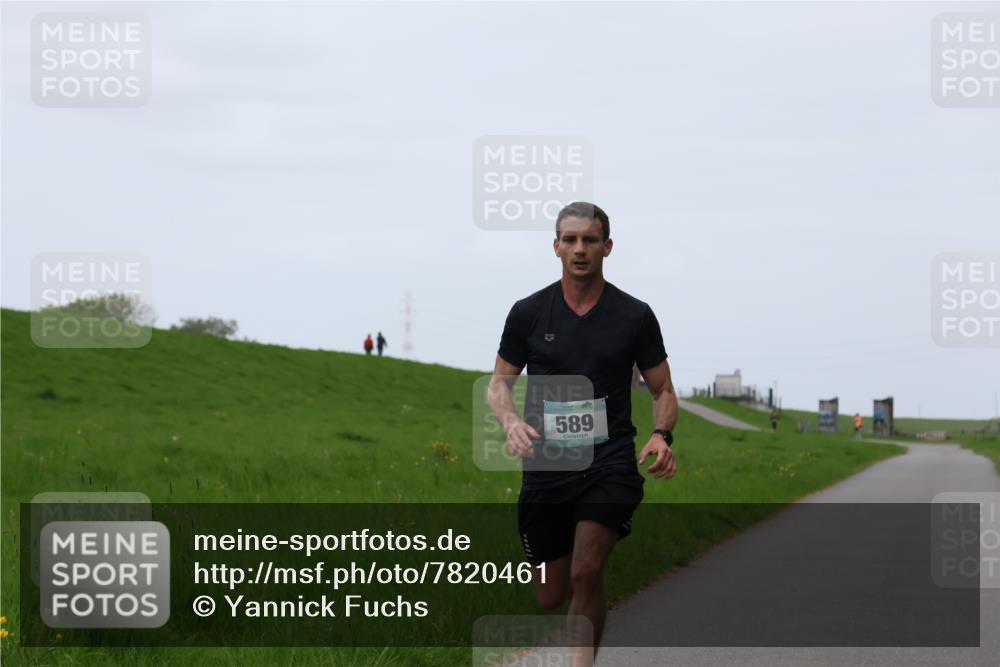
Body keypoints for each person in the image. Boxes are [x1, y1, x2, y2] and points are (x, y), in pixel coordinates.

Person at [487, 202, 677, 659]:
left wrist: (661, 434)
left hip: (609, 459)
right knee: (551, 593)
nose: (579, 249)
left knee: (586, 572)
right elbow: (499, 384)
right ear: (555, 247)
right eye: (569, 240)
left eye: (589, 240)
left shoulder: (634, 316)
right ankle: (581, 599)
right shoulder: (528, 313)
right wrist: (510, 421)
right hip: (548, 462)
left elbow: (664, 389)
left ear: (607, 247)